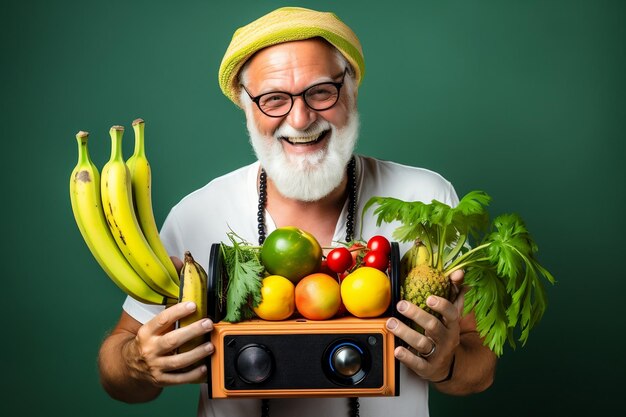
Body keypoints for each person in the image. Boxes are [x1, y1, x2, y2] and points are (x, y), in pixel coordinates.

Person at [97, 7, 496, 417]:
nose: (301, 119)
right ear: (247, 108)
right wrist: (138, 363)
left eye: (321, 91)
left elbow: (480, 368)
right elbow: (117, 375)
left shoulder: (427, 198)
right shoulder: (196, 214)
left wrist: (447, 363)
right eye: (273, 99)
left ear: (352, 90)